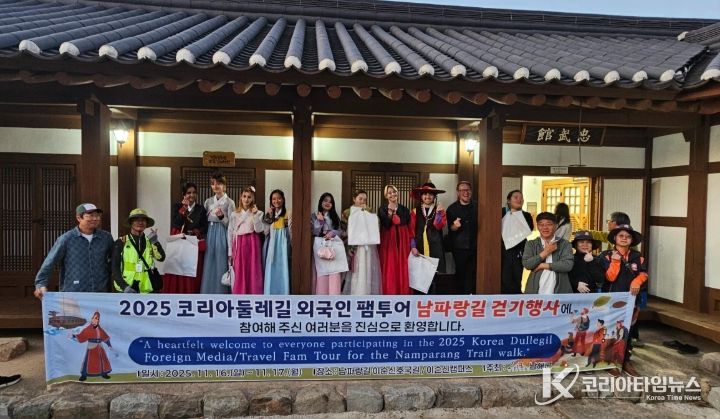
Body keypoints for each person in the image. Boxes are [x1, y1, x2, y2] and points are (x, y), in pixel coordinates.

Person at [34, 203, 114, 298]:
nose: (95, 218)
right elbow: (50, 262)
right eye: (90, 215)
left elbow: (114, 261)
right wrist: (41, 284)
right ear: (79, 218)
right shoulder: (66, 239)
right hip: (73, 292)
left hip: (101, 291)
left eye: (97, 216)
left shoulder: (106, 237)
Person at [600, 224, 647, 377]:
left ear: (632, 240)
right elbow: (609, 277)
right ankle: (609, 361)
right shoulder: (606, 256)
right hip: (611, 301)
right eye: (621, 236)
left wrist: (637, 281)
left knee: (628, 331)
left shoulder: (638, 256)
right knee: (611, 330)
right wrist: (615, 262)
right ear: (615, 238)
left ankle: (625, 360)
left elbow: (644, 274)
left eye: (628, 236)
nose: (624, 238)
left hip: (632, 301)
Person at [163, 182, 208, 294]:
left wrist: (197, 231)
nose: (191, 195)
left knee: (191, 270)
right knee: (177, 269)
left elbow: (204, 227)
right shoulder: (177, 206)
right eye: (188, 193)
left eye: (194, 192)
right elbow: (176, 223)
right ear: (184, 194)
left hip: (192, 242)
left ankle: (191, 293)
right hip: (180, 241)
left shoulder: (201, 209)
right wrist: (184, 208)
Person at [112, 209, 165, 293]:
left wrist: (155, 242)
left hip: (148, 289)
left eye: (143, 220)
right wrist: (124, 286)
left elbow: (161, 258)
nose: (140, 223)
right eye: (136, 220)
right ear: (131, 223)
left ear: (146, 224)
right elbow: (114, 267)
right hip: (127, 288)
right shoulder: (121, 242)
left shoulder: (150, 241)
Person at [522, 212, 573, 294]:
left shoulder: (564, 244)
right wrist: (546, 252)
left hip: (560, 292)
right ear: (537, 226)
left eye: (549, 224)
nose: (545, 227)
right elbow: (527, 264)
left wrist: (543, 265)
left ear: (556, 226)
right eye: (541, 224)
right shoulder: (531, 244)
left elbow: (568, 265)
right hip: (535, 291)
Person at [200, 172, 235, 294]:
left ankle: (221, 292)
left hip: (222, 233)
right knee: (209, 261)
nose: (215, 186)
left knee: (221, 261)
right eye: (213, 183)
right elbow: (203, 221)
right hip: (210, 232)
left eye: (218, 183)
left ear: (224, 185)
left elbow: (231, 225)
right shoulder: (208, 201)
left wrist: (222, 217)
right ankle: (207, 291)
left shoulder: (230, 203)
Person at [342, 190, 381, 295]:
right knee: (355, 270)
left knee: (366, 268)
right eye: (360, 199)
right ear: (354, 199)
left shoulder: (369, 210)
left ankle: (366, 292)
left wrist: (366, 213)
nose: (362, 201)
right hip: (353, 246)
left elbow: (376, 225)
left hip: (367, 245)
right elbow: (343, 230)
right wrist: (349, 247)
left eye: (364, 199)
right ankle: (355, 293)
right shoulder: (347, 212)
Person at [410, 182, 447, 294]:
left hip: (435, 247)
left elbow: (438, 226)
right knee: (419, 278)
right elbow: (411, 231)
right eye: (425, 194)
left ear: (434, 196)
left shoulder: (439, 210)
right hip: (419, 248)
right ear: (421, 196)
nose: (428, 196)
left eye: (431, 194)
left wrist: (439, 213)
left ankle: (432, 301)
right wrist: (413, 247)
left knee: (434, 278)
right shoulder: (414, 211)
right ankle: (420, 302)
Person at [227, 186, 264, 294]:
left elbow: (259, 229)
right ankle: (240, 294)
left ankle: (254, 294)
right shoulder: (234, 214)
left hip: (253, 242)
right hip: (239, 242)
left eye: (249, 197)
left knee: (253, 268)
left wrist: (255, 215)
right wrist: (230, 251)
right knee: (239, 269)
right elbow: (230, 232)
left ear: (253, 199)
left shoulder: (259, 213)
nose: (246, 199)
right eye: (244, 196)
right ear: (241, 197)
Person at [378, 185, 413, 295]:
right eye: (389, 193)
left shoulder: (404, 209)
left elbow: (407, 223)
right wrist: (390, 213)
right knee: (390, 266)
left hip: (403, 240)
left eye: (394, 192)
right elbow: (386, 225)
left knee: (403, 265)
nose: (392, 194)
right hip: (388, 240)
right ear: (386, 195)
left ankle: (403, 292)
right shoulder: (382, 209)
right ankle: (390, 292)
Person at [446, 181, 477, 294]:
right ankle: (460, 298)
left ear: (471, 191)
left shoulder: (478, 206)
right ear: (458, 193)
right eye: (462, 190)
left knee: (475, 273)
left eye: (467, 190)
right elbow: (450, 229)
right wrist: (455, 226)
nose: (465, 192)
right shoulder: (451, 209)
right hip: (459, 248)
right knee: (460, 273)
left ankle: (474, 297)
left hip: (476, 246)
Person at [501, 190, 533, 294]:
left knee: (517, 276)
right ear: (508, 200)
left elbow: (529, 229)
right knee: (504, 277)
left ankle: (516, 298)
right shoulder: (501, 212)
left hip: (518, 251)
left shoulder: (526, 215)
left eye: (521, 198)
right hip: (503, 251)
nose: (519, 200)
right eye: (516, 197)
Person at [311, 193, 344, 295]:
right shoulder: (314, 215)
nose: (328, 203)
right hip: (320, 247)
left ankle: (335, 298)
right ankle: (322, 300)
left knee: (335, 274)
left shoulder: (335, 217)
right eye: (325, 200)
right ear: (321, 201)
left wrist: (333, 233)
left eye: (330, 202)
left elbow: (340, 231)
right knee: (322, 275)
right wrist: (320, 222)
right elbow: (314, 232)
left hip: (333, 248)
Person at [263, 189, 291, 295]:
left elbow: (290, 231)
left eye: (279, 198)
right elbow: (265, 232)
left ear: (283, 200)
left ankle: (283, 292)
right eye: (274, 199)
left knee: (283, 267)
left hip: (283, 244)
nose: (276, 201)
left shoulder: (288, 213)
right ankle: (269, 293)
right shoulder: (269, 214)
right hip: (272, 244)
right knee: (271, 268)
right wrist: (269, 217)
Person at [72, 311, 112, 381]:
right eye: (94, 318)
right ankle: (84, 375)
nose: (95, 320)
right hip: (91, 346)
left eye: (97, 318)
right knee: (89, 360)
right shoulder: (88, 329)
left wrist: (109, 345)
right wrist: (75, 336)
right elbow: (82, 335)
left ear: (98, 320)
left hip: (100, 346)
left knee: (103, 360)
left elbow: (105, 337)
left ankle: (104, 373)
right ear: (92, 319)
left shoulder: (100, 329)